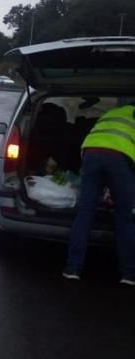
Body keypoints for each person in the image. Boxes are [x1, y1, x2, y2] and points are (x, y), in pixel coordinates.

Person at [63, 103, 135, 286]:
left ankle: (72, 269)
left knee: (85, 212)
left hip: (91, 152)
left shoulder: (114, 111)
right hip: (119, 157)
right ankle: (129, 274)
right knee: (124, 216)